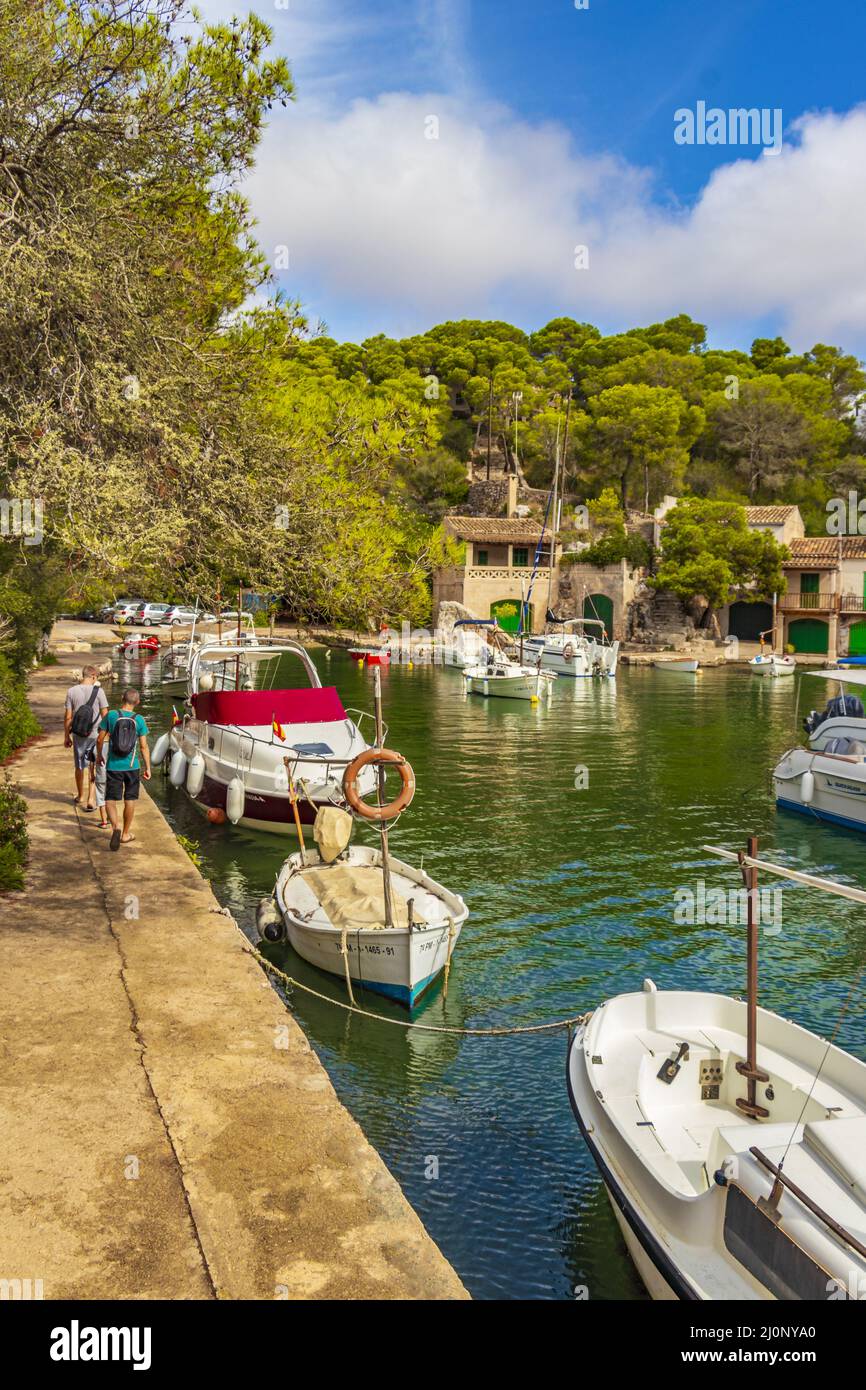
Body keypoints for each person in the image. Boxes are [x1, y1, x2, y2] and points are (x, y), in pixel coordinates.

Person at [96, 689, 151, 851]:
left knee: (110, 800)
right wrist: (148, 767)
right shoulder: (139, 720)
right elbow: (143, 746)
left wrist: (99, 755)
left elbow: (100, 739)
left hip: (113, 766)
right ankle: (125, 834)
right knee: (130, 800)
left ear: (122, 698)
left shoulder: (112, 715)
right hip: (132, 766)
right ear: (138, 702)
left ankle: (115, 827)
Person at [64, 665, 109, 811]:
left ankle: (80, 795)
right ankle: (91, 799)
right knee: (92, 765)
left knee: (79, 765)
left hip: (78, 734)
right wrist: (106, 735)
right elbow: (105, 715)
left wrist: (67, 736)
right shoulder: (100, 691)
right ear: (94, 676)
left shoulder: (71, 691)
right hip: (96, 734)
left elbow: (68, 717)